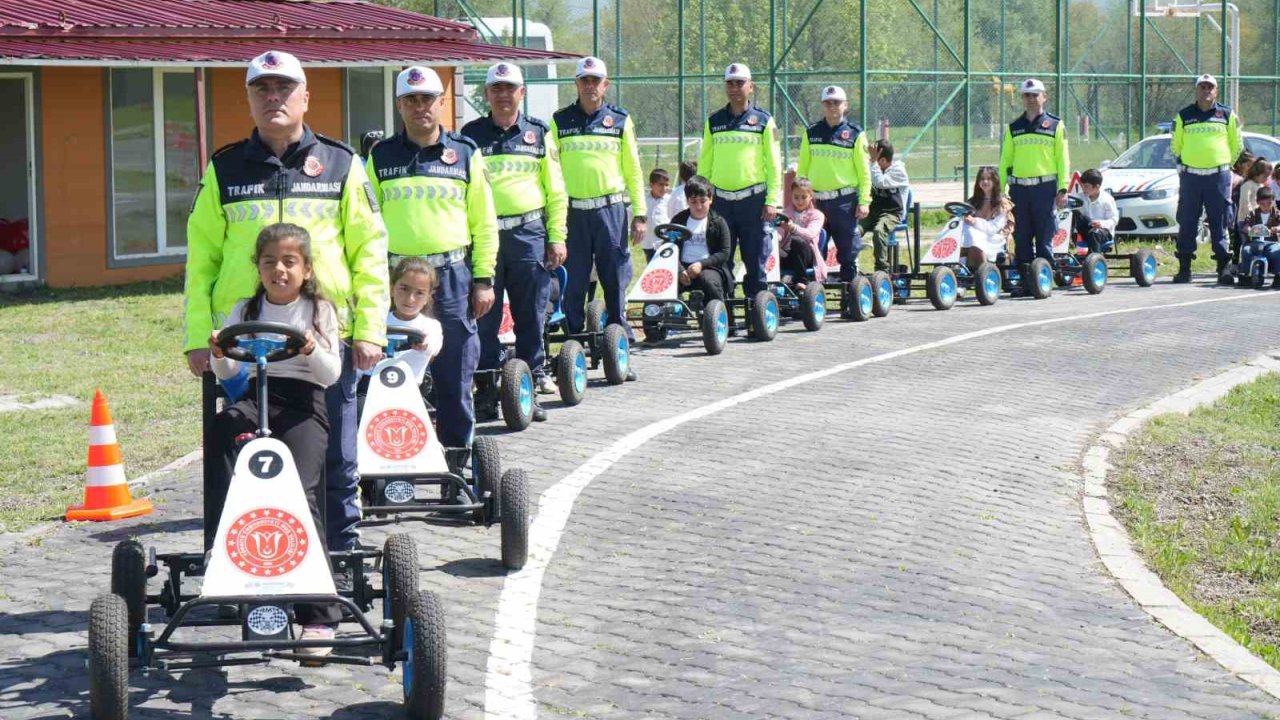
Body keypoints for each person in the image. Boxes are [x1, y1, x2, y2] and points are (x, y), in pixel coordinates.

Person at [185, 50, 388, 557]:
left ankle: (337, 560)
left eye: (283, 88)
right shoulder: (225, 167)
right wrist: (196, 338)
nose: (273, 97)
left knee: (334, 458)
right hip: (242, 343)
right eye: (262, 89)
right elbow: (201, 261)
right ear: (249, 99)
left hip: (323, 340)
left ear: (305, 97)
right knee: (237, 451)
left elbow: (370, 251)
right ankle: (233, 558)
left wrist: (370, 330)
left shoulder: (342, 164)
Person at [208, 223, 342, 652]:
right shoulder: (245, 309)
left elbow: (331, 375)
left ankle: (318, 618)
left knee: (298, 493)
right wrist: (219, 354)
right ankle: (221, 543)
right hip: (256, 397)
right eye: (269, 262)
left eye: (289, 262)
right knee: (224, 425)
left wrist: (310, 350)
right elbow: (228, 370)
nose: (279, 270)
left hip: (304, 405)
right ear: (258, 268)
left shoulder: (319, 310)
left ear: (306, 269)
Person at [366, 66, 498, 446]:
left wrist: (483, 279)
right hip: (398, 281)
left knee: (454, 376)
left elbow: (484, 222)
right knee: (392, 373)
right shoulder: (380, 157)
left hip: (452, 278)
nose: (419, 106)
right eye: (411, 100)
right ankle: (394, 455)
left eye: (427, 99)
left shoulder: (465, 153)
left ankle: (456, 458)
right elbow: (366, 225)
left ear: (442, 103)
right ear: (399, 105)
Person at [461, 62, 568, 418]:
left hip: (528, 235)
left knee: (531, 315)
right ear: (486, 93)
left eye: (510, 88)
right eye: (497, 88)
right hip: (485, 237)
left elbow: (556, 191)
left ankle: (528, 387)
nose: (503, 95)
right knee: (484, 318)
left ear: (522, 92)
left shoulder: (539, 133)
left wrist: (557, 236)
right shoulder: (470, 135)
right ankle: (487, 391)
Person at [550, 56, 646, 379]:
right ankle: (573, 355)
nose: (590, 86)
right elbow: (551, 171)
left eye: (596, 80)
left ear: (606, 85)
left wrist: (640, 213)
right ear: (576, 84)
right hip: (573, 213)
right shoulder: (559, 121)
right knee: (573, 283)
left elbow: (633, 169)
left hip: (611, 211)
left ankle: (619, 355)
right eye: (584, 80)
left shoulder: (620, 120)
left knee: (614, 281)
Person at [698, 63, 783, 304]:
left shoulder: (765, 121)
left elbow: (774, 164)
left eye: (740, 83)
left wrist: (772, 201)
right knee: (721, 259)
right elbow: (705, 164)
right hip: (721, 202)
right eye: (730, 83)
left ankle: (757, 310)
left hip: (753, 202)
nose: (734, 88)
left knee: (754, 259)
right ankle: (722, 312)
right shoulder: (714, 121)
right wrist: (703, 197)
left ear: (751, 87)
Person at [1170, 73, 1243, 283]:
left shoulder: (1227, 114)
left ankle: (1223, 268)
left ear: (1216, 91)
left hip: (1218, 177)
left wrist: (1225, 165)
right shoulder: (1183, 116)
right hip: (1191, 177)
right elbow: (1176, 145)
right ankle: (1184, 268)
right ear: (1196, 90)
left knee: (1220, 221)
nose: (1206, 91)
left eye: (1210, 87)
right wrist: (1188, 163)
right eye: (1202, 87)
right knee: (1187, 221)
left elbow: (1237, 144)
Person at [998, 78, 1070, 282]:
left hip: (1044, 189)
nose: (1031, 99)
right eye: (1026, 95)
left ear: (1044, 97)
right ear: (1022, 98)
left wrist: (1063, 188)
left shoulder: (1055, 125)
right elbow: (1005, 161)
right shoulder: (1014, 127)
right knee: (1021, 238)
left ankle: (1043, 281)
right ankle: (1025, 282)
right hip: (1019, 191)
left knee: (1044, 237)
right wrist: (1001, 191)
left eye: (1035, 95)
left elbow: (1063, 159)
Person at [797, 85, 871, 281]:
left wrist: (864, 201)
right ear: (823, 105)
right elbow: (802, 169)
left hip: (844, 202)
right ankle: (815, 292)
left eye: (836, 103)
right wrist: (800, 199)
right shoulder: (811, 133)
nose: (832, 107)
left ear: (845, 105)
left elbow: (864, 172)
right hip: (816, 201)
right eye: (828, 103)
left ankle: (850, 290)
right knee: (813, 248)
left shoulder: (855, 134)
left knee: (848, 251)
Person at [668, 176, 733, 303]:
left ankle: (718, 311)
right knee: (665, 280)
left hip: (709, 267)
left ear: (711, 199)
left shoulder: (718, 221)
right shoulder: (678, 220)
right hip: (682, 266)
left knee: (709, 281)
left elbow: (724, 252)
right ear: (687, 201)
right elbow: (670, 247)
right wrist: (680, 270)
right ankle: (664, 311)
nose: (698, 206)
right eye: (693, 202)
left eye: (703, 201)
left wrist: (701, 264)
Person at [387, 257, 444, 384]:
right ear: (392, 289)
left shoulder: (431, 326)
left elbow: (434, 345)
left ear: (428, 298)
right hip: (371, 385)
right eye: (404, 289)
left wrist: (426, 344)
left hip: (411, 388)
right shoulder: (377, 322)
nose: (410, 299)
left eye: (419, 293)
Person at [861, 139, 910, 272]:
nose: (870, 160)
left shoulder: (898, 171)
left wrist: (873, 163)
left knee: (879, 231)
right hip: (873, 212)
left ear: (882, 160)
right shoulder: (875, 167)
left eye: (873, 158)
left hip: (893, 213)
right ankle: (850, 266)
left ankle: (882, 269)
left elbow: (880, 182)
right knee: (852, 230)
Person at [960, 166, 1014, 272]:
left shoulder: (1002, 203)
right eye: (982, 179)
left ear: (995, 181)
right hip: (973, 237)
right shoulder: (973, 201)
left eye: (989, 179)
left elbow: (993, 228)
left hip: (995, 238)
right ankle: (959, 267)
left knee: (972, 235)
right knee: (964, 232)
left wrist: (975, 222)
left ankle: (984, 270)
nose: (985, 182)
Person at [778, 177, 827, 287]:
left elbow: (810, 233)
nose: (799, 201)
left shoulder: (817, 215)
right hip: (787, 254)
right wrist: (775, 238)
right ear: (791, 196)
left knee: (797, 241)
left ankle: (802, 281)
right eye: (796, 197)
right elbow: (780, 232)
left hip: (807, 255)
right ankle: (766, 281)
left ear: (810, 196)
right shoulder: (785, 213)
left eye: (804, 197)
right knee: (768, 243)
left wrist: (793, 228)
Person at [1239, 186, 1280, 287]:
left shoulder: (1276, 213)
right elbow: (1246, 225)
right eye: (1263, 204)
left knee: (1276, 252)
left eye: (1269, 203)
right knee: (1246, 250)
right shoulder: (1253, 213)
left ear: (1273, 201)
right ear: (1258, 202)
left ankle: (1278, 274)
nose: (1266, 206)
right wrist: (1248, 229)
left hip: (1271, 242)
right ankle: (1246, 274)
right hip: (1255, 241)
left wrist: (1277, 228)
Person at [1072, 169, 1118, 253]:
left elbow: (1114, 219)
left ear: (1097, 187)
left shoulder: (1107, 199)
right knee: (1074, 213)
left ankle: (1094, 257)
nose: (1083, 189)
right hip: (1086, 229)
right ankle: (1061, 252)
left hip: (1103, 232)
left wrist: (1101, 223)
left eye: (1086, 186)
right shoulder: (1080, 197)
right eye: (1082, 186)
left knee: (1094, 233)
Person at [641, 168, 672, 262]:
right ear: (651, 185)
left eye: (666, 185)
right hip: (649, 245)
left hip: (665, 243)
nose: (664, 188)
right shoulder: (643, 201)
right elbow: (631, 214)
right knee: (651, 267)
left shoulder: (670, 200)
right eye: (661, 184)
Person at [1237, 159, 1272, 235]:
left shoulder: (1261, 185)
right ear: (1257, 173)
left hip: (1257, 219)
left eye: (1268, 177)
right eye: (1265, 176)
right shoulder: (1248, 185)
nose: (1266, 179)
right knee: (1249, 239)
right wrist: (1252, 214)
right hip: (1245, 220)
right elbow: (1245, 201)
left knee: (1260, 239)